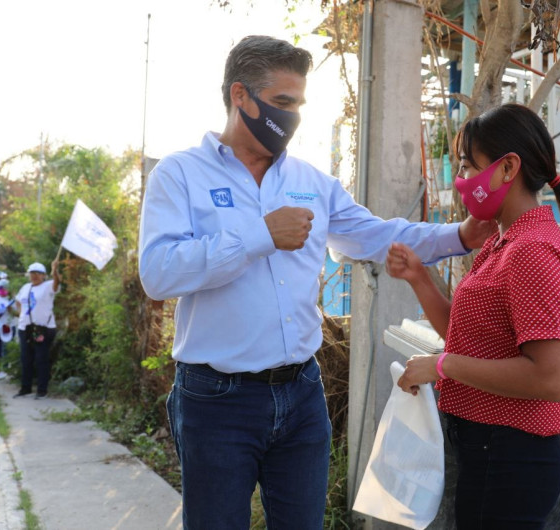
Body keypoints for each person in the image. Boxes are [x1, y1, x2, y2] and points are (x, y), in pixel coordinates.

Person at [138, 35, 494, 530]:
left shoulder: (311, 182)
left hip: (302, 394)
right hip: (216, 401)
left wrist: (459, 234)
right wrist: (259, 236)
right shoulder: (180, 176)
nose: (292, 116)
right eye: (282, 103)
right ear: (240, 96)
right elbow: (158, 274)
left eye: (299, 105)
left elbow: (376, 234)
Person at [385, 103, 560, 528]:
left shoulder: (531, 251)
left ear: (507, 169)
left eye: (468, 166)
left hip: (509, 458)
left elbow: (551, 378)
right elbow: (470, 338)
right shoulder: (506, 242)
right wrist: (419, 279)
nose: (462, 181)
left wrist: (442, 367)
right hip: (492, 454)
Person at [14, 260, 61, 398]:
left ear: (44, 275)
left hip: (43, 328)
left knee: (41, 358)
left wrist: (55, 270)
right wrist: (22, 314)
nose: (34, 276)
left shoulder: (47, 286)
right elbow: (18, 301)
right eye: (32, 273)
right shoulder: (25, 287)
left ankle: (42, 390)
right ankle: (25, 388)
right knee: (26, 358)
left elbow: (56, 283)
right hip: (25, 328)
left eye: (38, 273)